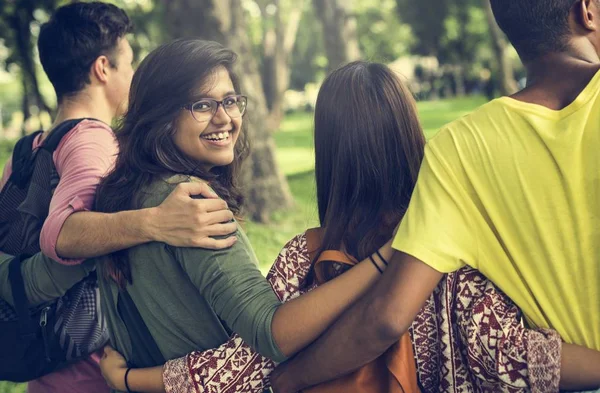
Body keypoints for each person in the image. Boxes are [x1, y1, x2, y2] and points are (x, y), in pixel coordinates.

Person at [99, 61, 600, 393]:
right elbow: (511, 357)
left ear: (328, 152)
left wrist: (128, 380)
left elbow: (240, 368)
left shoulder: (305, 256)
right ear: (410, 132)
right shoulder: (453, 244)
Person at [267, 1, 600, 392]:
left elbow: (386, 319)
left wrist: (285, 381)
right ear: (587, 11)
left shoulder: (460, 148)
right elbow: (513, 354)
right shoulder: (462, 280)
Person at [91, 39, 396, 393]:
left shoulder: (124, 195)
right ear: (161, 117)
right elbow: (270, 333)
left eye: (231, 101)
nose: (224, 118)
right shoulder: (191, 204)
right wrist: (381, 261)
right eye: (202, 105)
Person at [0, 3, 235, 393]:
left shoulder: (29, 148)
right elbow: (62, 234)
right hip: (93, 367)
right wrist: (157, 221)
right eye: (129, 63)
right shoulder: (94, 139)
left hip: (48, 363)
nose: (132, 75)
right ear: (103, 68)